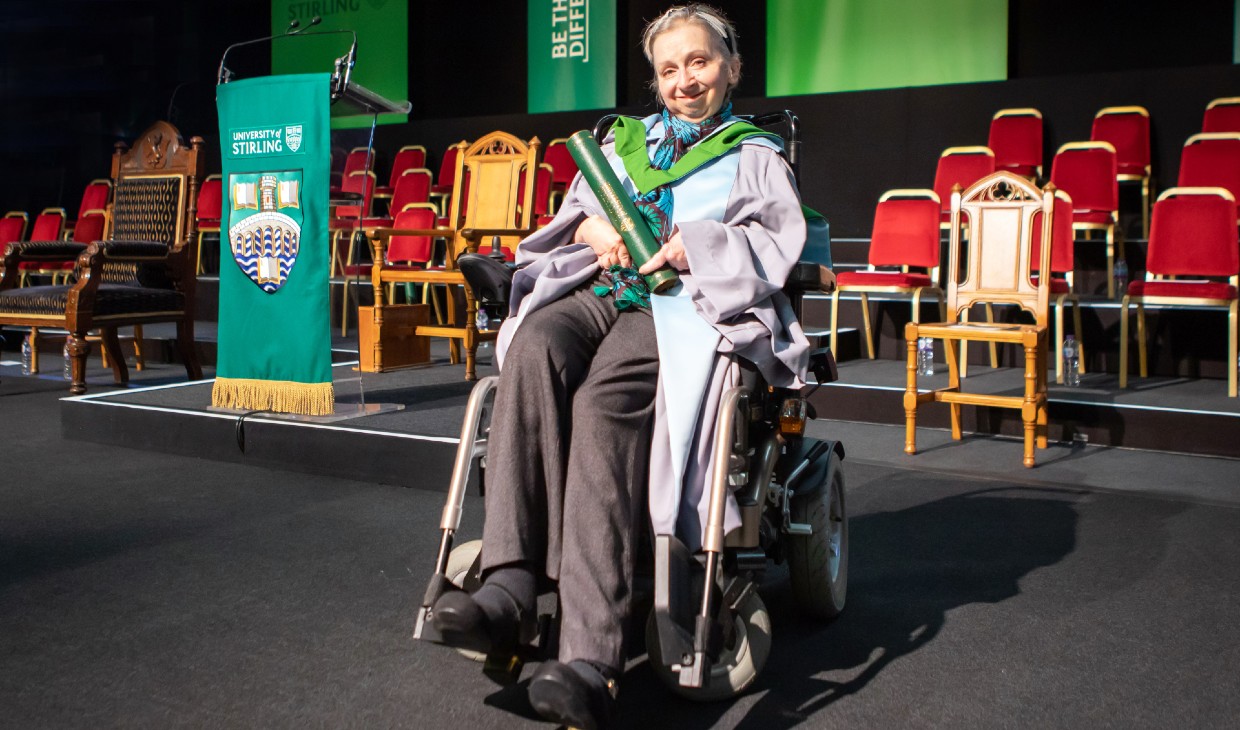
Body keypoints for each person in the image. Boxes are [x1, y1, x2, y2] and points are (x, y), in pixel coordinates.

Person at [429, 5, 811, 728]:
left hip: (674, 305)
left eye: (698, 63)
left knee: (603, 401)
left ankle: (588, 660)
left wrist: (695, 244)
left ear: (732, 67)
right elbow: (572, 221)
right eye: (669, 70)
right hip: (600, 288)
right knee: (534, 343)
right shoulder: (619, 144)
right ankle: (509, 585)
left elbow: (774, 240)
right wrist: (593, 225)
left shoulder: (753, 152)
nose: (684, 81)